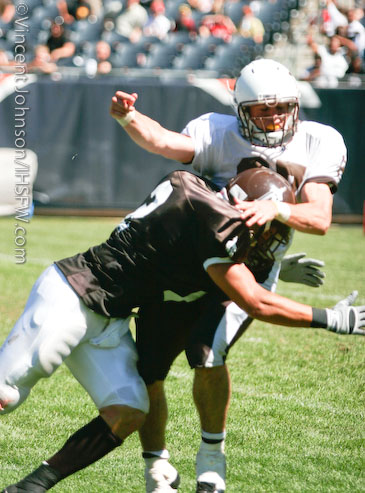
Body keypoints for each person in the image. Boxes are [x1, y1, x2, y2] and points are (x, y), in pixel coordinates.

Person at [2, 167, 364, 492]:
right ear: (245, 210)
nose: (271, 240)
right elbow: (256, 301)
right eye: (269, 229)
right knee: (5, 395)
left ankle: (30, 487)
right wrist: (333, 319)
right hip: (72, 295)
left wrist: (276, 268)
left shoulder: (194, 197)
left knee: (128, 409)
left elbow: (185, 251)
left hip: (109, 320)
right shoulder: (215, 222)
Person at [109, 58, 348, 493]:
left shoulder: (319, 140)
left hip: (248, 267)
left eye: (280, 107)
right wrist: (130, 117)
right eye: (260, 110)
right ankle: (156, 466)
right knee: (149, 366)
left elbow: (319, 216)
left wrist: (276, 209)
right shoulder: (217, 130)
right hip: (187, 260)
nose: (273, 117)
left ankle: (211, 455)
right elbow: (163, 141)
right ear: (241, 110)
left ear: (295, 104)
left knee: (206, 353)